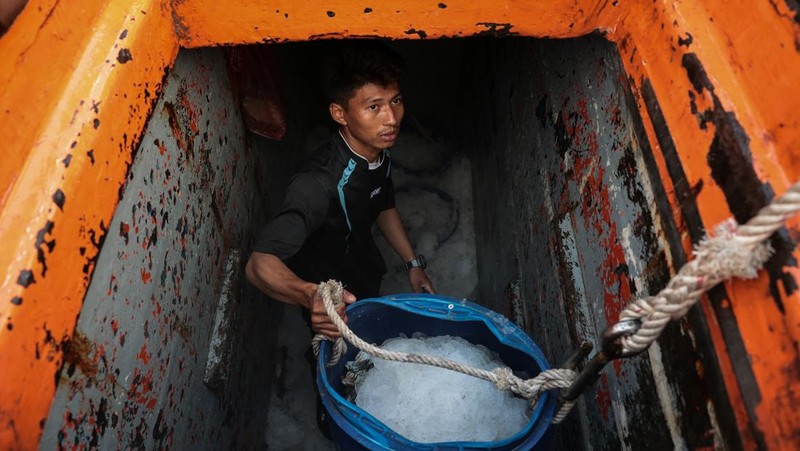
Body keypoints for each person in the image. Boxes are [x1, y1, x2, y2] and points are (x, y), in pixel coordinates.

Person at [246, 40, 435, 340]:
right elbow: (259, 264)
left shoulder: (376, 149)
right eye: (374, 107)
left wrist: (412, 264)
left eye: (395, 102)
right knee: (333, 361)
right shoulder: (317, 183)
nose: (391, 119)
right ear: (339, 113)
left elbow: (382, 202)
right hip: (330, 301)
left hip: (364, 272)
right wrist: (310, 296)